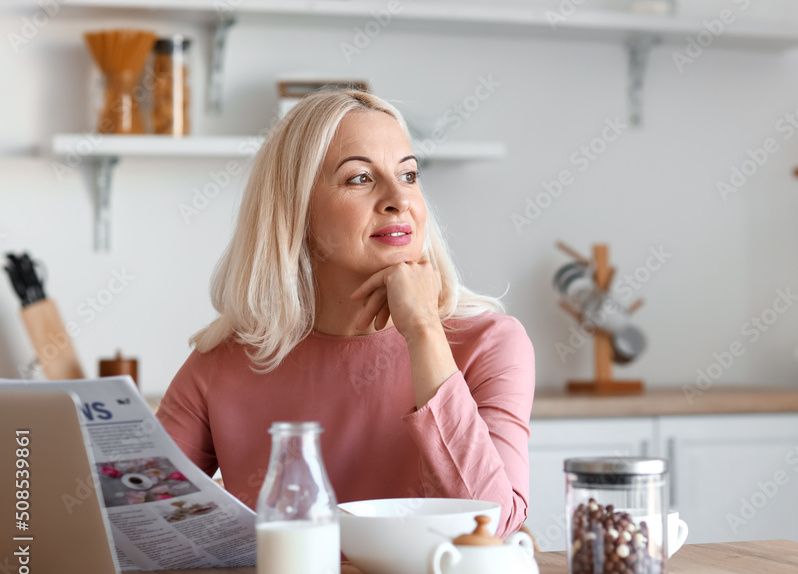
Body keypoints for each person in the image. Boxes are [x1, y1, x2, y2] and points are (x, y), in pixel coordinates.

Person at [156, 90, 534, 537]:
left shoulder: (490, 342)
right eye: (359, 179)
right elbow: (137, 521)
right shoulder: (223, 362)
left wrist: (424, 331)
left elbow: (488, 523)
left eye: (409, 175)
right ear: (297, 210)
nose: (399, 199)